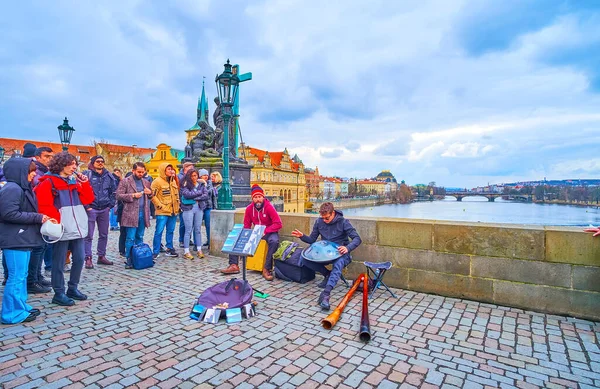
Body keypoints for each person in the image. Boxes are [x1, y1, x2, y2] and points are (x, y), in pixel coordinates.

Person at [35, 152, 95, 306]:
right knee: (59, 261)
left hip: (77, 227)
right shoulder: (48, 182)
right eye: (71, 163)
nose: (74, 167)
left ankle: (72, 288)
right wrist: (57, 221)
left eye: (75, 164)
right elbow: (44, 205)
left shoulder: (75, 181)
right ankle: (59, 292)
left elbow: (88, 199)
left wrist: (85, 184)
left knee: (80, 258)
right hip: (61, 228)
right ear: (61, 165)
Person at [0, 158, 53, 324]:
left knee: (21, 275)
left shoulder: (19, 187)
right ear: (21, 172)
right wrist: (37, 217)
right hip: (15, 239)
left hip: (21, 238)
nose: (33, 174)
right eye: (31, 171)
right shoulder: (12, 189)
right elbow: (8, 214)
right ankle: (11, 313)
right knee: (16, 276)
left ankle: (20, 305)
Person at [291, 202, 362, 310]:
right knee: (304, 258)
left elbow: (357, 239)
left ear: (333, 213)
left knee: (338, 263)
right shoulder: (319, 222)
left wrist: (347, 248)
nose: (324, 220)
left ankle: (326, 293)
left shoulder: (343, 222)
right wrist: (302, 236)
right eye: (323, 218)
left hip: (341, 253)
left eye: (327, 218)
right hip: (325, 254)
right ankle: (328, 274)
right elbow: (312, 240)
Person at [221, 184, 282, 281]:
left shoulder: (269, 207)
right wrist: (246, 235)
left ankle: (267, 269)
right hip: (256, 231)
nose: (258, 199)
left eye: (259, 197)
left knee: (274, 241)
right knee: (237, 236)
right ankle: (234, 265)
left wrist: (266, 231)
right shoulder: (249, 209)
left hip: (269, 232)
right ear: (252, 198)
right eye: (255, 197)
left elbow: (278, 224)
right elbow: (246, 225)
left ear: (263, 197)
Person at [27, 146, 55, 293]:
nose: (49, 159)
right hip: (36, 213)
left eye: (51, 156)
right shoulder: (36, 171)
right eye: (46, 156)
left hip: (42, 213)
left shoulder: (44, 171)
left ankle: (37, 276)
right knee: (37, 248)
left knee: (42, 246)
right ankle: (32, 280)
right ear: (38, 157)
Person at [116, 162, 152, 268]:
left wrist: (150, 192)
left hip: (143, 212)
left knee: (139, 236)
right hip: (130, 213)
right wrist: (132, 195)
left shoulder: (146, 182)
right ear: (133, 171)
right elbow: (118, 195)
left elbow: (151, 195)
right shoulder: (125, 181)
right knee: (130, 237)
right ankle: (129, 259)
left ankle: (139, 257)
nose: (141, 174)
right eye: (139, 172)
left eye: (142, 172)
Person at [84, 155, 117, 269]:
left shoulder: (109, 176)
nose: (100, 163)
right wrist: (87, 206)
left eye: (102, 161)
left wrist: (110, 205)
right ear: (93, 163)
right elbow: (82, 190)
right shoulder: (87, 175)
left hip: (104, 208)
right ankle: (88, 257)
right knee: (89, 235)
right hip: (91, 208)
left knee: (104, 234)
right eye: (97, 161)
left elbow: (113, 191)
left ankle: (101, 256)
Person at [151, 163, 180, 259]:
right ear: (163, 170)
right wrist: (160, 206)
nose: (171, 171)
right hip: (163, 211)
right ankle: (156, 251)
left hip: (173, 210)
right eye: (168, 169)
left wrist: (178, 206)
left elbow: (176, 195)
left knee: (170, 231)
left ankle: (169, 248)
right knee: (159, 231)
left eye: (171, 169)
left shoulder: (173, 181)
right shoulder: (157, 182)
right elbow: (152, 196)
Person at [180, 168, 208, 260]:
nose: (193, 177)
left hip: (199, 208)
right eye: (192, 176)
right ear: (188, 176)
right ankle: (186, 251)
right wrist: (198, 193)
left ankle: (199, 249)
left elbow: (205, 195)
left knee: (198, 229)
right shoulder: (185, 184)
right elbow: (187, 194)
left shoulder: (201, 184)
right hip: (188, 209)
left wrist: (196, 196)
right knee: (188, 230)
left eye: (195, 175)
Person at [178, 162, 195, 248]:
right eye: (190, 168)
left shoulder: (192, 176)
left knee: (190, 223)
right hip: (183, 202)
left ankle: (188, 239)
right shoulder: (179, 177)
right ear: (185, 168)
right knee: (183, 222)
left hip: (191, 202)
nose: (192, 169)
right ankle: (181, 240)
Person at [203, 170, 221, 249]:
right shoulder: (209, 185)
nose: (211, 178)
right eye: (211, 177)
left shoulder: (220, 187)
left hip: (213, 206)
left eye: (213, 177)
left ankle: (211, 241)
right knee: (207, 225)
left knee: (210, 225)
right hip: (208, 206)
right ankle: (208, 240)